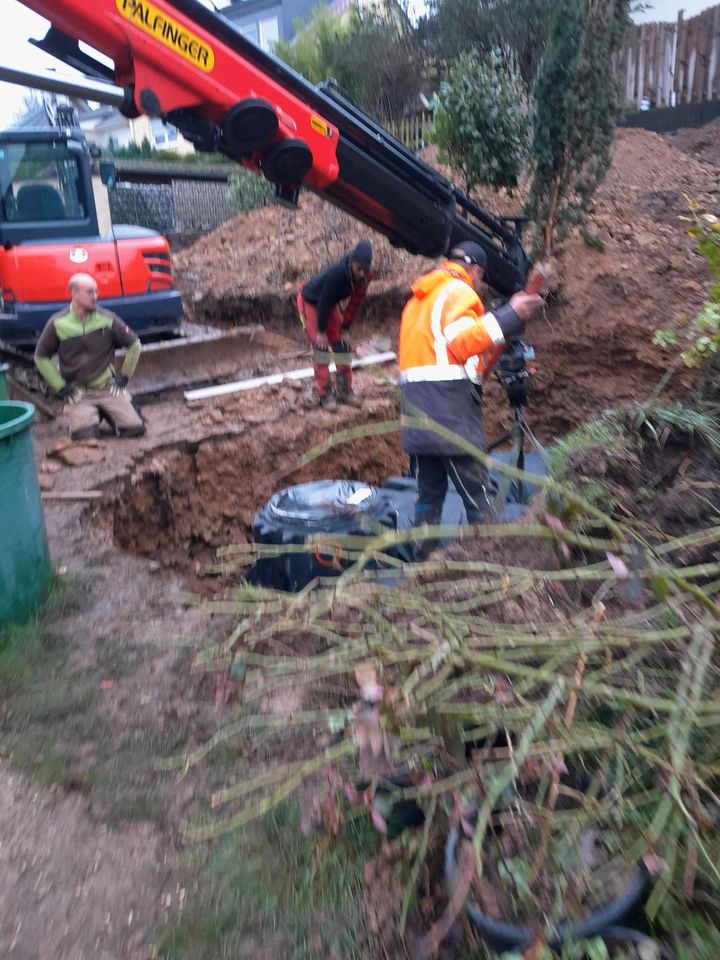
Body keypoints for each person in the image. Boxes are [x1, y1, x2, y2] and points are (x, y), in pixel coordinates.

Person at [398, 240, 543, 531]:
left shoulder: (418, 301)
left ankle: (423, 565)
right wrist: (510, 314)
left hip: (417, 418)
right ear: (475, 271)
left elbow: (443, 353)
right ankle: (491, 560)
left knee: (428, 497)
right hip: (450, 418)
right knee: (479, 496)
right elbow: (463, 343)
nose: (478, 285)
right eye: (480, 278)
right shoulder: (458, 291)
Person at [34, 272, 146, 440]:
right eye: (89, 292)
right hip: (78, 394)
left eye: (96, 292)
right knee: (84, 437)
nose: (95, 296)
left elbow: (134, 344)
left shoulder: (107, 319)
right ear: (74, 293)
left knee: (135, 429)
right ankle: (95, 415)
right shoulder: (57, 323)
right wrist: (61, 387)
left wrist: (124, 377)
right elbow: (40, 357)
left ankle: (113, 410)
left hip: (107, 389)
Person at [297, 240, 373, 410]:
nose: (361, 273)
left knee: (343, 346)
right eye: (358, 268)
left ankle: (345, 392)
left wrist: (345, 329)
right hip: (310, 301)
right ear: (352, 261)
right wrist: (322, 332)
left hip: (329, 304)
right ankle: (324, 394)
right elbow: (323, 302)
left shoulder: (366, 277)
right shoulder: (337, 273)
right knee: (321, 348)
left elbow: (355, 302)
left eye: (365, 269)